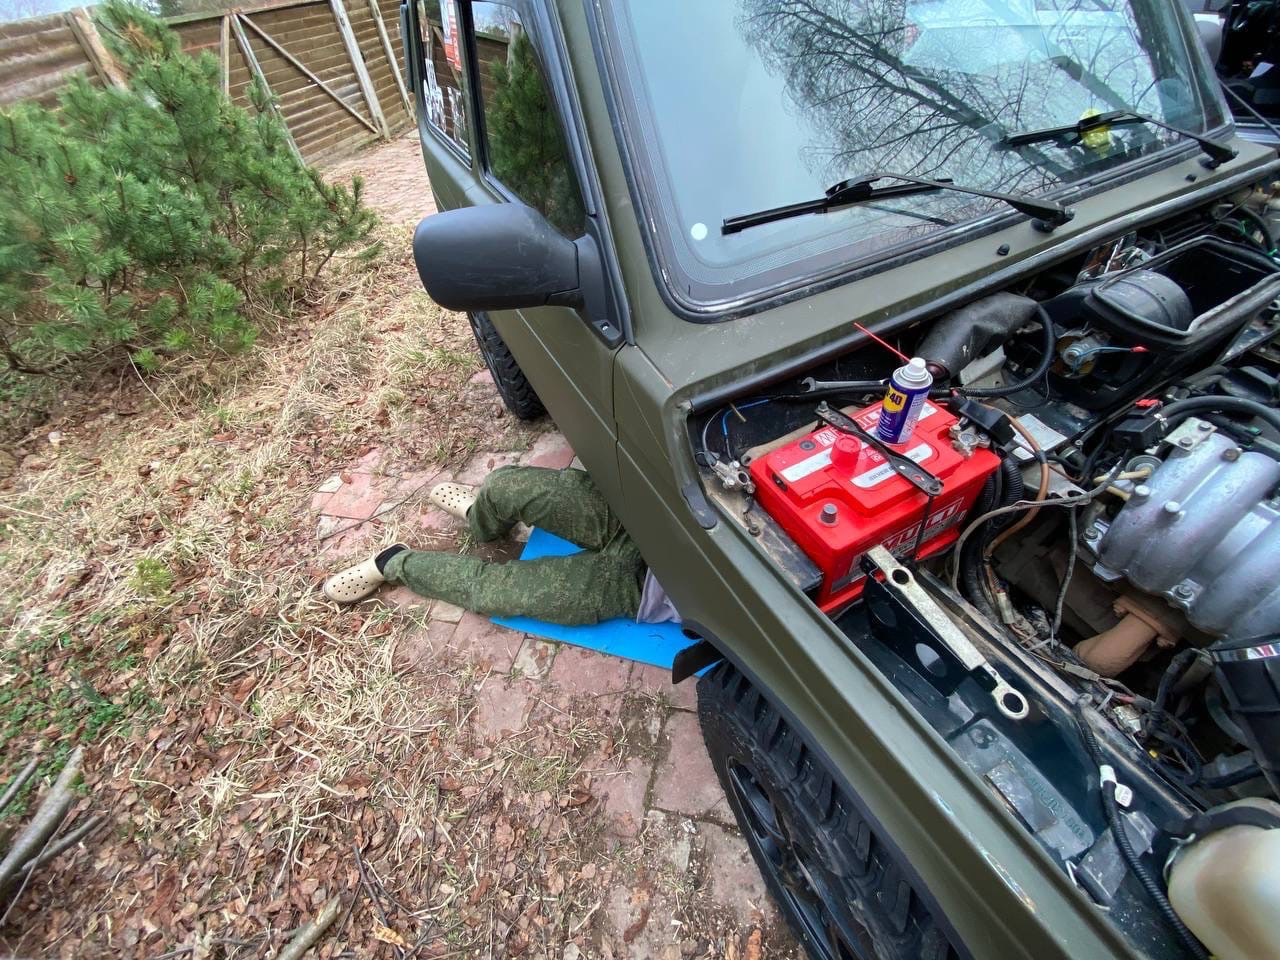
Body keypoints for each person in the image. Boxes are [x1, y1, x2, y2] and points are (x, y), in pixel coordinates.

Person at [322, 465, 679, 625]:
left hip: (647, 585)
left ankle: (392, 563)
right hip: (648, 519)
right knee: (502, 487)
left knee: (495, 593)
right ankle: (481, 519)